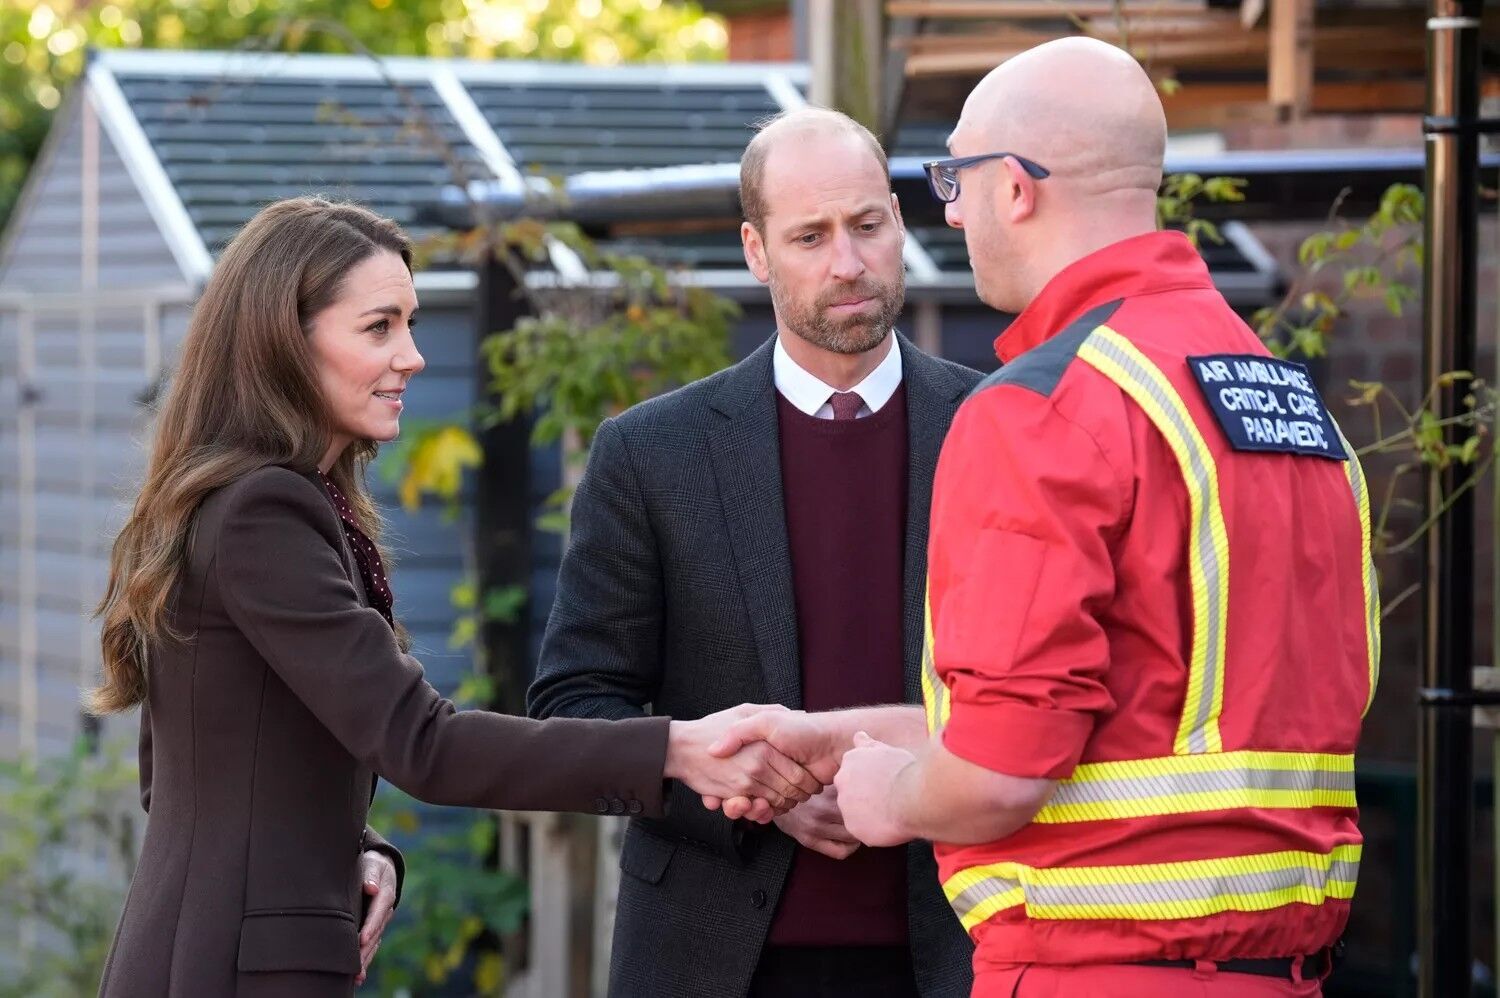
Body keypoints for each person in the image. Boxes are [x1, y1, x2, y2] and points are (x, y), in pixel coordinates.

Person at [721, 36, 1380, 998]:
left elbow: (1001, 772)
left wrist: (890, 795)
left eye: (955, 177)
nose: (948, 210)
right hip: (1278, 969)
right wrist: (862, 734)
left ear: (1016, 189)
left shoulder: (1043, 407)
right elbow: (1141, 720)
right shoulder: (1285, 402)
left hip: (1098, 960)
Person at [90, 197, 818, 998]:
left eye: (409, 322)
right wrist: (676, 749)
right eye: (379, 327)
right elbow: (424, 746)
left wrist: (356, 848)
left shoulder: (249, 501)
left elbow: (196, 770)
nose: (413, 356)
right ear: (283, 343)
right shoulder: (266, 512)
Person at [526, 108, 979, 998]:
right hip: (713, 950)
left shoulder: (999, 429)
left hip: (960, 943)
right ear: (756, 251)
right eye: (809, 236)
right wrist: (754, 793)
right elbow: (577, 706)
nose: (847, 263)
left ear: (896, 218)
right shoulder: (652, 454)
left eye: (866, 226)